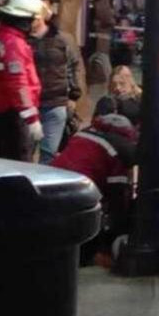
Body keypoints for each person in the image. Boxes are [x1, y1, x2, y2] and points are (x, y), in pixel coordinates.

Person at [51, 113, 137, 265]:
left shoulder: (81, 135)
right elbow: (117, 199)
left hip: (54, 184)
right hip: (81, 193)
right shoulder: (118, 150)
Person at [0, 0, 44, 161]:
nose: (38, 23)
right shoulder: (14, 45)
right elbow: (18, 84)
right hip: (11, 115)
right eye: (35, 19)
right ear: (25, 20)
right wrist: (32, 118)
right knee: (18, 164)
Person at [28, 1, 83, 164]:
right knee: (26, 151)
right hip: (30, 105)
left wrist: (74, 96)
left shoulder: (62, 39)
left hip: (55, 103)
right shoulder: (23, 40)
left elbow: (74, 66)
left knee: (49, 153)